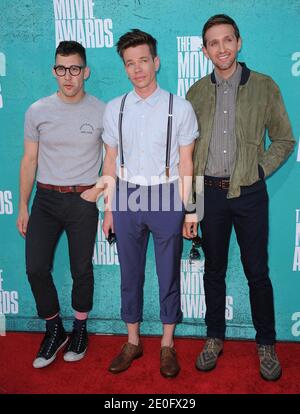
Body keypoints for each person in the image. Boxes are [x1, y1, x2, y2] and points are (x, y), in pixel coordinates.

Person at [185, 14, 295, 381]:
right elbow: (187, 153)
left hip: (250, 195)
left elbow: (284, 139)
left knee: (257, 273)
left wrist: (259, 170)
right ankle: (214, 337)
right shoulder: (196, 93)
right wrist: (191, 204)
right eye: (213, 43)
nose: (222, 48)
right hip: (210, 196)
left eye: (227, 40)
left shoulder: (264, 86)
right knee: (213, 271)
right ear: (204, 50)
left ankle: (266, 342)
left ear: (239, 42)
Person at [101, 29, 198, 377]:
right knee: (130, 273)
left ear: (155, 62)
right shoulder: (115, 108)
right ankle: (133, 341)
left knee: (168, 273)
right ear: (125, 68)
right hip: (126, 194)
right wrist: (108, 208)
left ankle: (167, 345)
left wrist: (191, 209)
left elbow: (188, 163)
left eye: (143, 60)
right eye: (130, 63)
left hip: (167, 193)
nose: (138, 68)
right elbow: (109, 160)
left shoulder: (180, 107)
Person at [16, 40, 105, 368]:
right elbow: (29, 160)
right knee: (35, 268)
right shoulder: (37, 110)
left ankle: (80, 329)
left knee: (82, 269)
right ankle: (54, 328)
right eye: (61, 69)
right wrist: (23, 205)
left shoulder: (102, 110)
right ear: (54, 71)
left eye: (75, 69)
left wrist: (97, 191)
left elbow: (114, 157)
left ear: (86, 72)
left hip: (82, 199)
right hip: (46, 199)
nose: (68, 76)